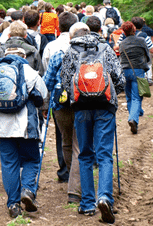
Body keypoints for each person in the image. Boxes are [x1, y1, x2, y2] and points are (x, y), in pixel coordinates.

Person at [61, 28, 125, 224]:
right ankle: (105, 198)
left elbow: (65, 81)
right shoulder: (105, 48)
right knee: (105, 154)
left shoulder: (71, 51)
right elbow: (120, 80)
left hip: (81, 108)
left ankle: (87, 203)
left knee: (85, 154)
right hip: (105, 106)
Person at [0, 48, 48, 218]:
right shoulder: (30, 72)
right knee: (32, 159)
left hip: (3, 128)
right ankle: (27, 190)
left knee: (9, 164)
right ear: (24, 56)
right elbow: (44, 94)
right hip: (26, 126)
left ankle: (13, 204)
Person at [43, 21, 89, 206]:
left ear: (70, 38)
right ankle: (75, 188)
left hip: (61, 103)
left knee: (66, 142)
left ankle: (72, 178)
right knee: (80, 145)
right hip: (84, 103)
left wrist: (45, 105)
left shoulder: (58, 55)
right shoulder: (93, 56)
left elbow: (46, 82)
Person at [119, 21, 151, 134]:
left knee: (129, 97)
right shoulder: (141, 41)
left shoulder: (121, 44)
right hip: (137, 71)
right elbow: (147, 55)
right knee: (137, 97)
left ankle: (138, 112)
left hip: (125, 71)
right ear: (134, 30)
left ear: (124, 31)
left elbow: (121, 58)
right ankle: (133, 119)